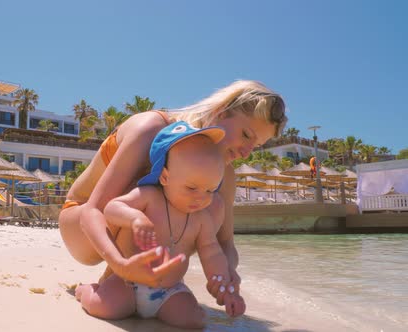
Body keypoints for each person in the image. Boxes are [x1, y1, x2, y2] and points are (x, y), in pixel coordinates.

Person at [59, 80, 287, 305]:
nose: (247, 153)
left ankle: (157, 284)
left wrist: (225, 273)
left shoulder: (224, 174)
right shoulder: (152, 129)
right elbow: (94, 211)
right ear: (220, 112)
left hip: (119, 229)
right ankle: (117, 278)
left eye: (256, 145)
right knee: (151, 193)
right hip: (82, 222)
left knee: (211, 204)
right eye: (246, 135)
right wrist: (119, 263)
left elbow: (226, 243)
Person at [75, 122, 245, 328]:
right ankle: (85, 291)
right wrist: (135, 218)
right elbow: (112, 208)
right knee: (104, 307)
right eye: (191, 187)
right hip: (128, 282)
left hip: (170, 290)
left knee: (194, 320)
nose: (201, 198)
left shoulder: (201, 219)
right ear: (165, 176)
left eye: (210, 190)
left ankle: (169, 308)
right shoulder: (149, 197)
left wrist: (223, 285)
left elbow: (211, 252)